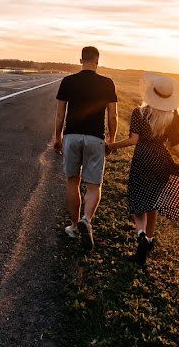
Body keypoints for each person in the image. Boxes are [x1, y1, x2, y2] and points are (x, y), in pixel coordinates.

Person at [107, 73, 179, 266]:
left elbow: (133, 141)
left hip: (142, 159)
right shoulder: (173, 116)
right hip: (162, 160)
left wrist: (111, 146)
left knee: (137, 199)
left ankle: (141, 234)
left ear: (150, 93)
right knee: (152, 200)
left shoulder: (139, 112)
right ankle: (149, 239)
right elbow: (176, 148)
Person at [50, 46, 118, 251]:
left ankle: (74, 226)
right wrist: (112, 140)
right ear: (97, 61)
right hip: (95, 138)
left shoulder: (68, 81)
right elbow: (113, 116)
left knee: (73, 181)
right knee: (94, 185)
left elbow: (60, 114)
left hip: (71, 136)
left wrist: (58, 137)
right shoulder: (107, 83)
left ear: (81, 60)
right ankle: (87, 219)